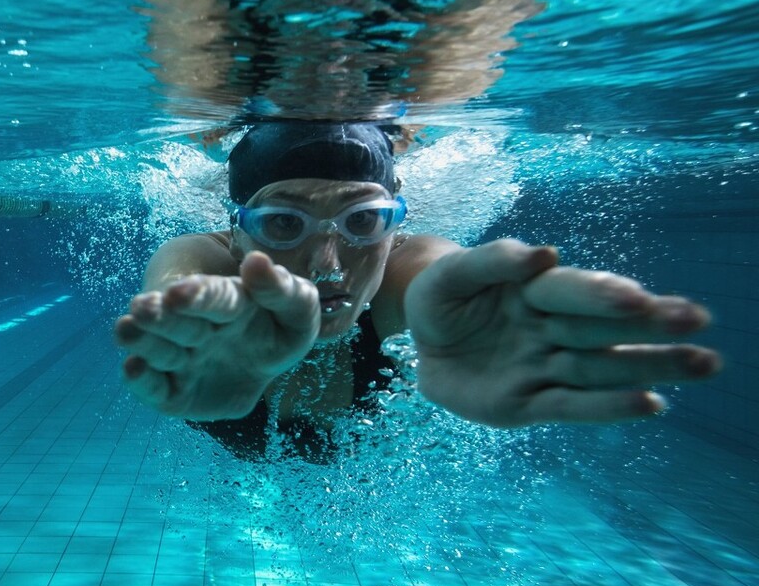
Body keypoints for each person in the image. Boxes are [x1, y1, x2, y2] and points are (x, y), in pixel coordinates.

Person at [113, 120, 722, 458]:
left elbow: (439, 274)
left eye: (361, 221)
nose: (327, 263)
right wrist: (181, 324)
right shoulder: (203, 259)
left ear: (393, 225)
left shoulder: (413, 266)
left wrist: (481, 315)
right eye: (281, 223)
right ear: (235, 230)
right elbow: (176, 285)